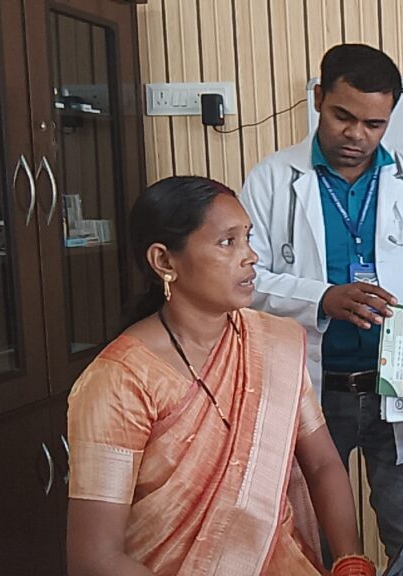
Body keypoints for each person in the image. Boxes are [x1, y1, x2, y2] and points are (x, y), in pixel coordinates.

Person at [66, 177, 373, 576]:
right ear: (164, 262)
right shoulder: (119, 380)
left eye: (248, 238)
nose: (251, 257)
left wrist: (350, 561)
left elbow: (322, 464)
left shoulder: (273, 343)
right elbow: (94, 559)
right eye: (228, 242)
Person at [239, 44, 403, 561]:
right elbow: (244, 278)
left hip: (398, 385)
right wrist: (322, 298)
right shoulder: (272, 179)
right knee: (316, 531)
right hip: (314, 387)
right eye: (342, 116)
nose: (357, 135)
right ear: (318, 99)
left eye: (374, 124)